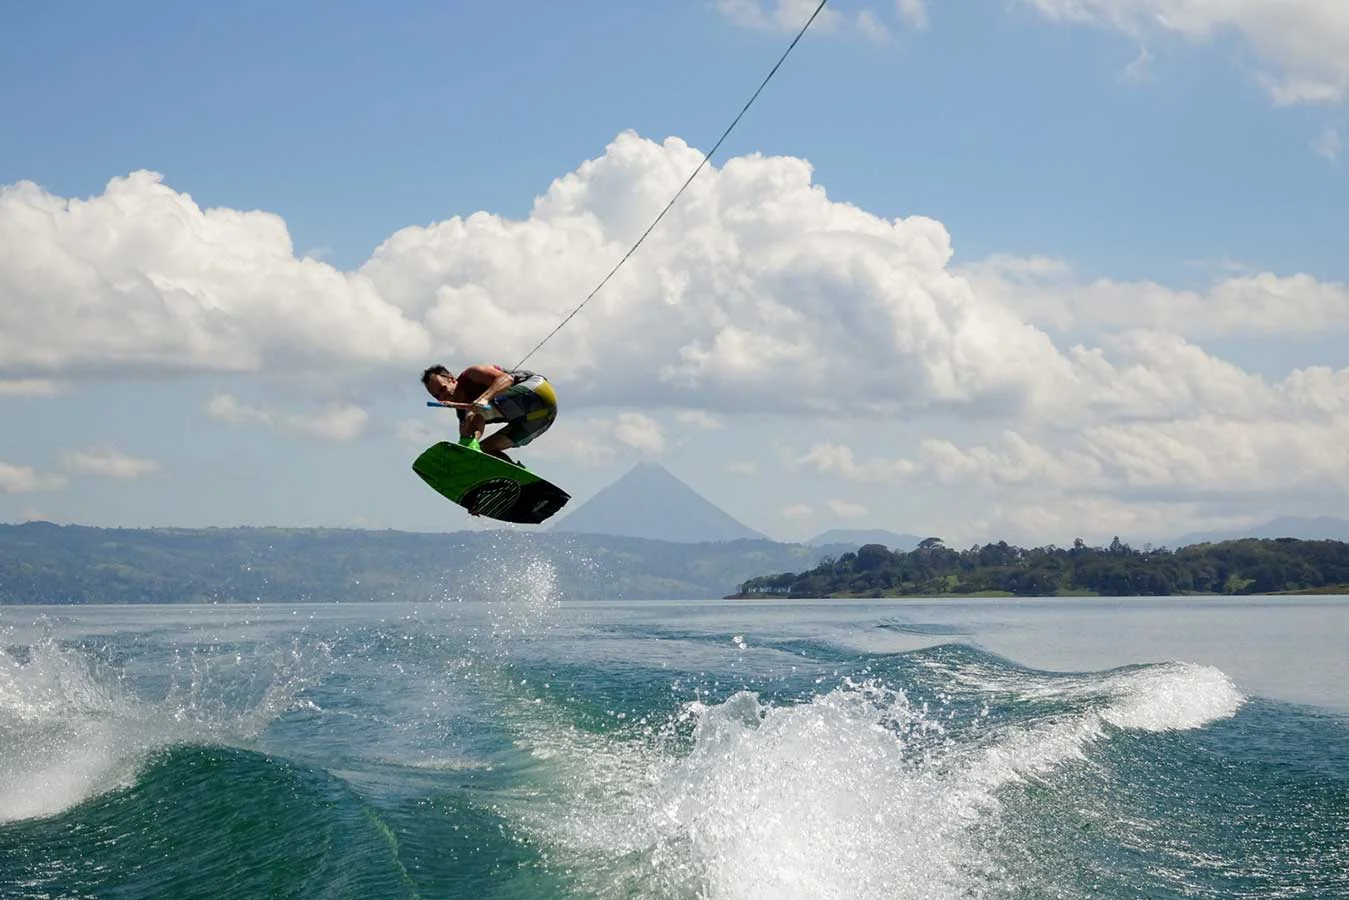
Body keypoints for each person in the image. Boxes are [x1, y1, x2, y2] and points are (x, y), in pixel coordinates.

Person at [421, 363, 558, 466]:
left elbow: (506, 379)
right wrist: (465, 445)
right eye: (437, 396)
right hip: (542, 417)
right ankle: (517, 477)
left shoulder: (471, 375)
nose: (443, 396)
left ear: (451, 379)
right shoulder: (463, 414)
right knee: (486, 450)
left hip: (538, 391)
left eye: (443, 389)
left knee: (474, 413)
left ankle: (470, 446)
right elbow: (470, 428)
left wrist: (485, 397)